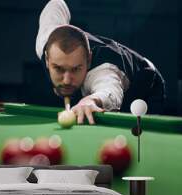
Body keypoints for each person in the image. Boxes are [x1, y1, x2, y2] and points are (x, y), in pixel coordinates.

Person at [36, 0, 166, 124]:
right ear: (47, 59)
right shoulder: (45, 40)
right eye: (59, 68)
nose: (66, 80)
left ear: (89, 60)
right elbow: (57, 3)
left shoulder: (103, 70)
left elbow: (110, 92)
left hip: (145, 85)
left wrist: (91, 100)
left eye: (76, 69)